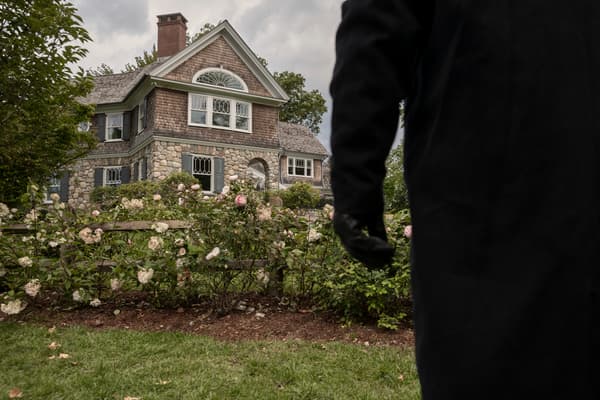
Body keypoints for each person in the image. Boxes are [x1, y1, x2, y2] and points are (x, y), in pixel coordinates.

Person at [330, 1, 600, 399]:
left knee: (485, 359)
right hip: (515, 184)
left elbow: (375, 33)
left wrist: (356, 182)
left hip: (480, 189)